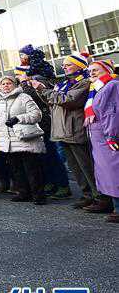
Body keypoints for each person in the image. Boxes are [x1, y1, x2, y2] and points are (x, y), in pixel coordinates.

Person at [31, 52, 110, 211]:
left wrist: (44, 90)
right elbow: (51, 101)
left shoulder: (84, 82)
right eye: (64, 65)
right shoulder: (65, 83)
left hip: (76, 129)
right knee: (76, 167)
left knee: (87, 166)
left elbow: (68, 100)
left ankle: (100, 197)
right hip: (63, 130)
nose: (64, 67)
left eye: (68, 64)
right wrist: (41, 91)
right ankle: (87, 195)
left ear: (79, 66)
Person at [16, 65, 71, 199]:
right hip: (33, 126)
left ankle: (63, 185)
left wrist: (24, 83)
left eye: (19, 73)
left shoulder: (38, 79)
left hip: (45, 125)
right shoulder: (22, 86)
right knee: (41, 158)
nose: (17, 76)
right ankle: (50, 183)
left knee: (52, 156)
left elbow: (38, 97)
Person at [0, 75, 46, 205]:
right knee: (16, 168)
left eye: (9, 83)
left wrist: (18, 118)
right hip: (7, 140)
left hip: (25, 138)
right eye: (3, 83)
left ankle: (38, 195)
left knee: (32, 168)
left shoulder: (24, 97)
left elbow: (37, 115)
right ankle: (23, 192)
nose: (5, 86)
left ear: (15, 85)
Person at [83, 59, 119, 222]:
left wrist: (112, 136)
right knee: (107, 173)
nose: (92, 73)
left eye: (96, 70)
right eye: (90, 70)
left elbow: (111, 113)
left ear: (107, 70)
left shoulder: (111, 86)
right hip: (99, 137)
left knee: (114, 173)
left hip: (107, 137)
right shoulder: (97, 88)